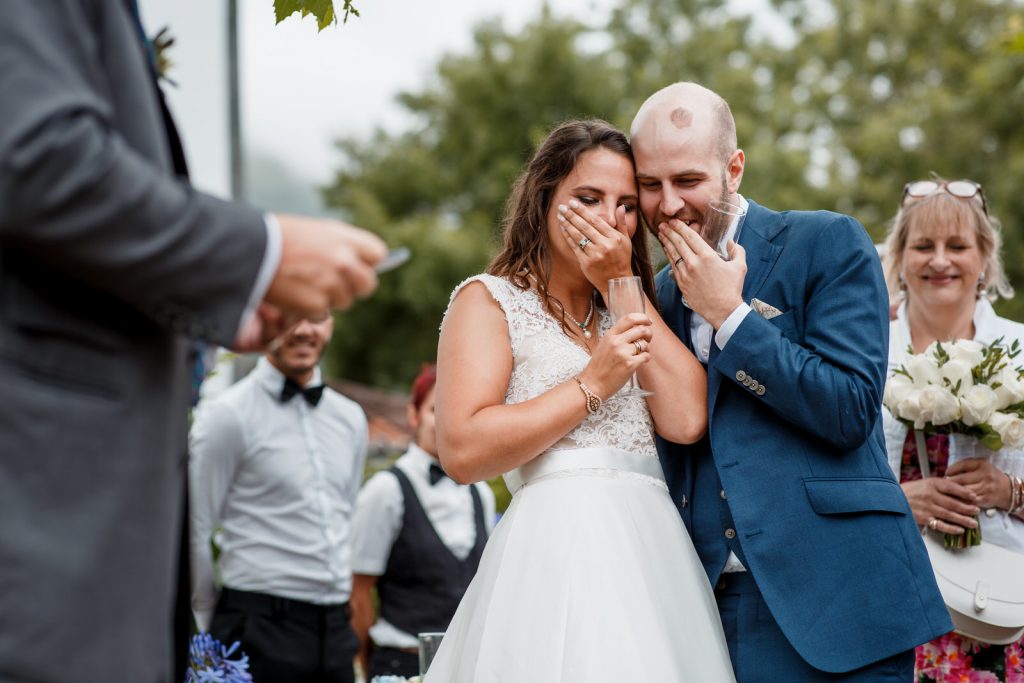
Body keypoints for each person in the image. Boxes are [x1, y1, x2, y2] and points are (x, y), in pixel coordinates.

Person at [0, 4, 388, 682]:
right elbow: (34, 153)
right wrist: (262, 251)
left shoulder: (350, 421)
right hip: (56, 529)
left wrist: (215, 307)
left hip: (300, 624)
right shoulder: (230, 418)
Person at [633, 81, 951, 681]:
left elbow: (850, 410)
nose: (668, 206)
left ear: (735, 168)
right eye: (650, 185)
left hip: (838, 601)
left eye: (688, 181)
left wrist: (732, 318)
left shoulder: (826, 242)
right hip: (702, 613)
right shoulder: (658, 296)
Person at [425, 119, 735, 681]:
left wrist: (622, 285)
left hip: (654, 562)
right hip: (553, 554)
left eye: (624, 205)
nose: (607, 219)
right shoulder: (489, 301)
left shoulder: (635, 305)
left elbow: (689, 420)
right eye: (587, 199)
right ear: (544, 200)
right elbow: (463, 450)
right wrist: (593, 384)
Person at [880, 178, 1024, 680]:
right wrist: (898, 499)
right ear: (901, 256)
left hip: (1000, 606)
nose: (939, 260)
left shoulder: (1020, 350)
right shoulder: (867, 351)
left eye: (957, 246)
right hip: (890, 597)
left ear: (984, 257)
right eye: (923, 246)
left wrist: (1009, 490)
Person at [189, 313, 367, 683]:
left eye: (316, 317)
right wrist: (213, 625)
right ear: (265, 318)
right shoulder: (226, 415)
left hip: (334, 630)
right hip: (254, 628)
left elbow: (344, 516)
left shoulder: (351, 418)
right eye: (290, 315)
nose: (303, 329)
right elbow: (193, 528)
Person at [350, 364, 496, 679]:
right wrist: (366, 668)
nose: (445, 420)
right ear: (413, 415)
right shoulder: (385, 491)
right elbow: (358, 593)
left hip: (466, 665)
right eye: (435, 409)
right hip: (401, 665)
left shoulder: (481, 492)